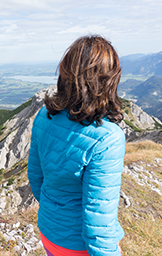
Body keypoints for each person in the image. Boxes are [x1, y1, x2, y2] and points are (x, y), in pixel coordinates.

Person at [28, 35, 125, 256]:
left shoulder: (44, 116)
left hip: (49, 233)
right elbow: (99, 221)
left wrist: (56, 213)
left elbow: (36, 178)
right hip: (76, 247)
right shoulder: (107, 138)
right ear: (108, 81)